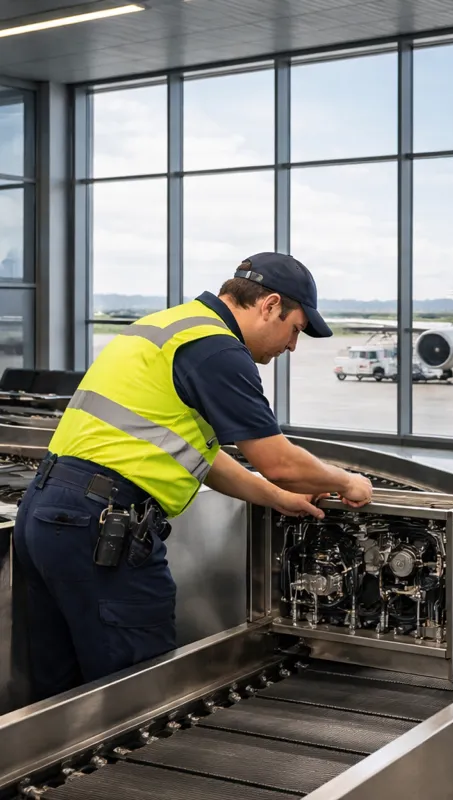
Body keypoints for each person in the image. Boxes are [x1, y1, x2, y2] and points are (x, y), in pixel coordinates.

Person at [13, 252, 373, 701]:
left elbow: (199, 455)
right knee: (138, 695)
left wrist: (276, 498)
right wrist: (347, 482)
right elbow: (278, 460)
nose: (292, 346)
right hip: (102, 528)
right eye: (295, 328)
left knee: (61, 695)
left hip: (48, 516)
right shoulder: (217, 348)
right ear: (269, 305)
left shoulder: (171, 325)